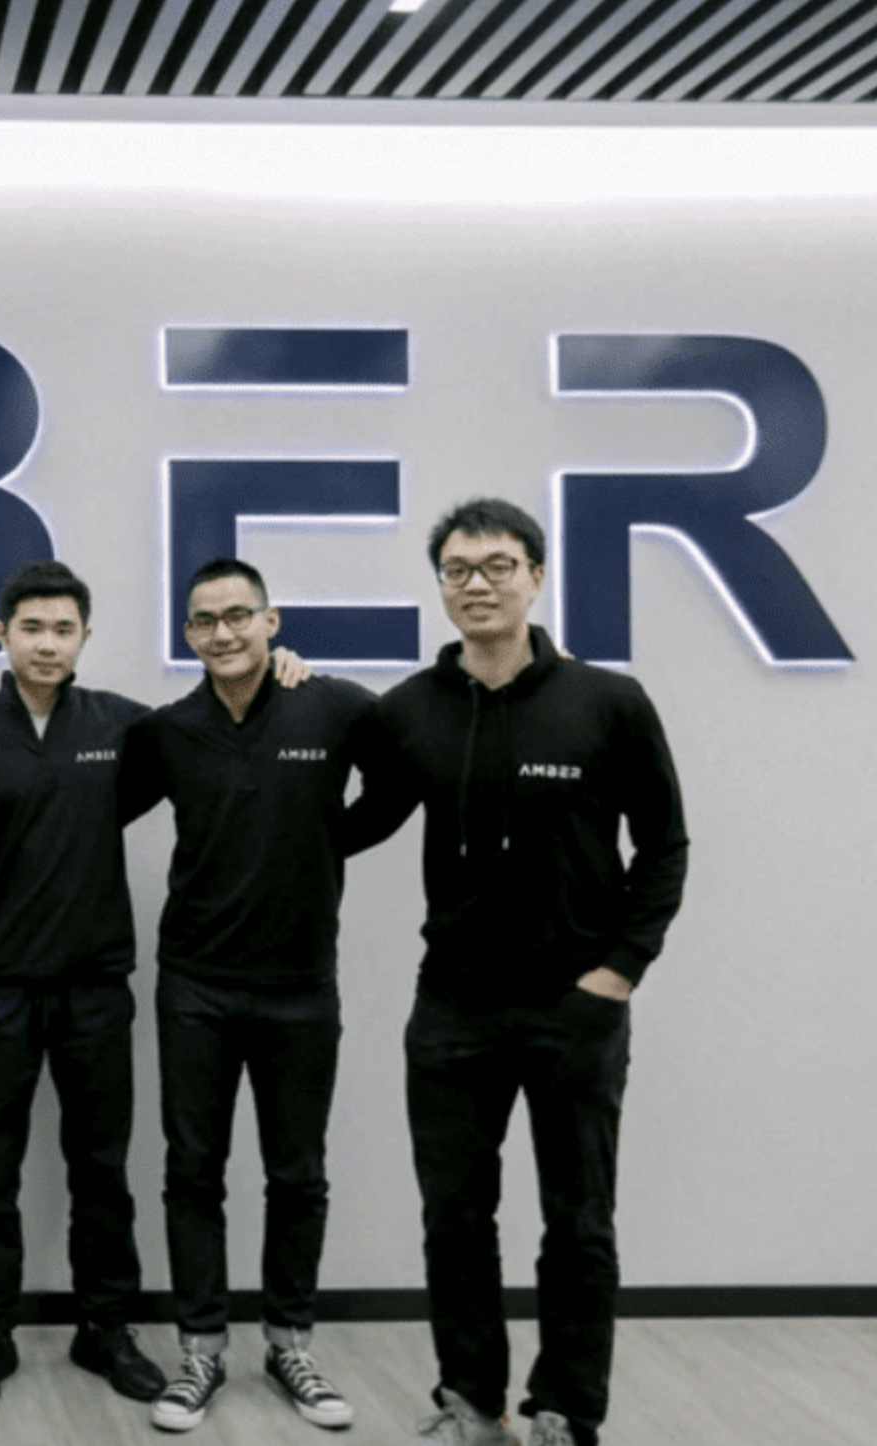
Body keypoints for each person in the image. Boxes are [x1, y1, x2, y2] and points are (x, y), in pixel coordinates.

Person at [348, 498, 688, 1446]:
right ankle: (470, 1401)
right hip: (451, 1009)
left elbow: (664, 846)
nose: (478, 584)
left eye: (498, 565)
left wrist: (618, 974)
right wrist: (287, 691)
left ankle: (566, 1411)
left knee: (579, 1225)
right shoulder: (409, 711)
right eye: (458, 570)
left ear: (535, 576)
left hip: (574, 1007)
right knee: (455, 1221)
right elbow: (351, 822)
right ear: (442, 586)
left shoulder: (608, 702)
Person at [121, 558, 372, 1434]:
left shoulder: (331, 707)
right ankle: (200, 1351)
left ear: (271, 621)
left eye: (238, 615)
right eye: (204, 620)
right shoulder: (170, 730)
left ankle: (290, 1343)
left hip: (302, 985)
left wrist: (328, 840)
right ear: (188, 634)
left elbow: (410, 773)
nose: (222, 632)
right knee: (192, 1171)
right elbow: (83, 801)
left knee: (297, 1174)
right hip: (195, 983)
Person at [0, 559, 166, 1410]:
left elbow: (210, 738)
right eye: (32, 628)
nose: (48, 644)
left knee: (101, 1169)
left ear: (84, 636)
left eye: (64, 629)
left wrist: (283, 672)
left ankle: (106, 1327)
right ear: (3, 635)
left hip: (95, 984)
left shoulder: (125, 727)